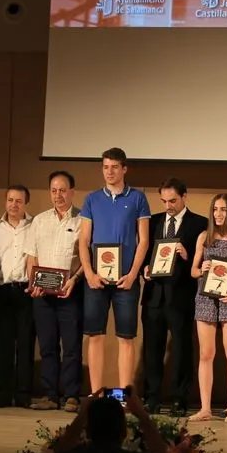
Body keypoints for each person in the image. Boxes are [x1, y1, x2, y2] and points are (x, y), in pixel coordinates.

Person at [79, 148, 151, 392]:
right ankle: (96, 394)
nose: (109, 172)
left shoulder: (138, 198)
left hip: (125, 281)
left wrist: (132, 275)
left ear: (124, 169)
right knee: (95, 336)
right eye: (105, 167)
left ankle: (124, 395)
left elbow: (144, 240)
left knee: (126, 338)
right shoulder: (91, 199)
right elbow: (83, 240)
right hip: (96, 280)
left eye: (114, 167)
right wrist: (88, 273)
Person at [140, 178, 207, 416]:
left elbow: (205, 261)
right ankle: (151, 398)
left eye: (173, 200)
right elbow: (144, 254)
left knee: (181, 351)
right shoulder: (153, 222)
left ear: (184, 196)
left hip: (181, 298)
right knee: (151, 350)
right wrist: (144, 270)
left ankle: (180, 400)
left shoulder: (200, 224)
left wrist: (188, 256)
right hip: (153, 297)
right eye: (164, 201)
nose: (168, 205)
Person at [25, 171, 84, 412]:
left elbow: (86, 259)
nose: (58, 195)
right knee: (47, 346)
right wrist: (33, 283)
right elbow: (32, 255)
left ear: (72, 192)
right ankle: (49, 395)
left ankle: (71, 396)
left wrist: (75, 280)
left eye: (62, 190)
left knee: (71, 347)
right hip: (42, 295)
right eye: (53, 190)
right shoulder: (39, 220)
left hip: (71, 292)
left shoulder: (83, 220)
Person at [189, 194, 227, 422]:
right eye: (215, 209)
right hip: (205, 299)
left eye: (223, 209)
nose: (219, 213)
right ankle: (205, 408)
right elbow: (193, 271)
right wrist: (201, 268)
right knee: (206, 354)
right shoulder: (204, 237)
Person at [0, 185, 35, 408]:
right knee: (3, 345)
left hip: (26, 291)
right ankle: (3, 394)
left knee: (25, 344)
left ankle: (23, 395)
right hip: (0, 290)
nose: (14, 205)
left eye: (19, 201)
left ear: (26, 203)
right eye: (10, 200)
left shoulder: (35, 226)